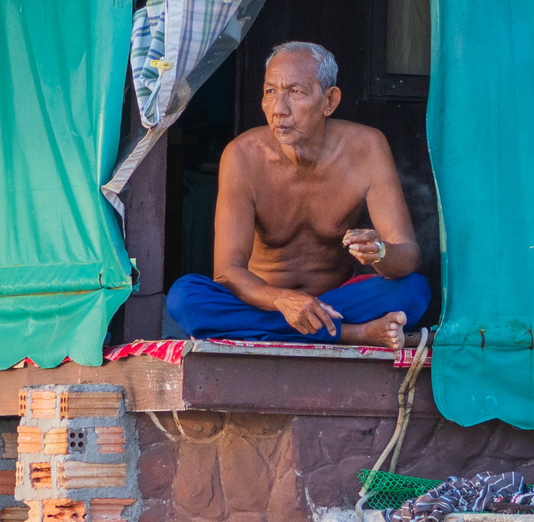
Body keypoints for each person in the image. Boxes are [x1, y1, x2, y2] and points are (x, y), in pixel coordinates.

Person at [166, 41, 430, 350]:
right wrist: (282, 299)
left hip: (337, 300)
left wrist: (380, 253)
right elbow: (227, 272)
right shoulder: (242, 156)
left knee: (414, 291)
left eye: (296, 92)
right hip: (266, 301)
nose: (279, 109)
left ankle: (272, 330)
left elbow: (407, 255)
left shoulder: (367, 147)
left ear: (329, 101)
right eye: (270, 92)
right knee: (185, 297)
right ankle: (351, 334)